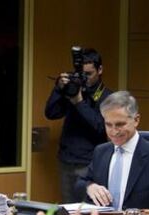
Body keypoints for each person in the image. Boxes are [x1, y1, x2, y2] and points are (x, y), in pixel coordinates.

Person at [45, 47, 113, 203]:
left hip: (90, 164)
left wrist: (79, 102)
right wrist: (59, 89)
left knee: (89, 211)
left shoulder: (108, 97)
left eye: (89, 74)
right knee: (68, 211)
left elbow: (102, 128)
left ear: (100, 69)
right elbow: (51, 113)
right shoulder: (74, 89)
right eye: (82, 75)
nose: (85, 79)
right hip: (66, 161)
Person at [76, 91, 149, 210]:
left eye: (120, 124)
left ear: (136, 120)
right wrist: (90, 187)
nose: (114, 132)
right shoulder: (101, 151)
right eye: (108, 125)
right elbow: (81, 182)